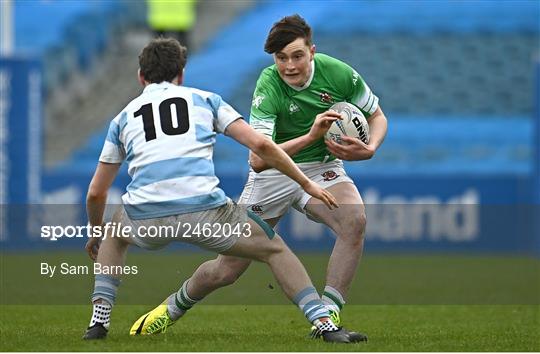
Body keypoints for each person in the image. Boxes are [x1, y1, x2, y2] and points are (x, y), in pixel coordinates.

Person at [82, 37, 364, 343]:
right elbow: (260, 145)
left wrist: (95, 232)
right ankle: (324, 324)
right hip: (205, 211)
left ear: (141, 76)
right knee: (275, 249)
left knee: (113, 233)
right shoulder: (206, 100)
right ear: (181, 74)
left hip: (147, 216)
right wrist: (307, 182)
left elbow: (96, 193)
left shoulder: (122, 118)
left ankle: (99, 322)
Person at [150, 14, 388, 339]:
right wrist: (312, 134)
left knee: (354, 220)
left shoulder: (339, 74)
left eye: (297, 56)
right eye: (281, 58)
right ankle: (172, 307)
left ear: (312, 52)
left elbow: (376, 115)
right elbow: (259, 160)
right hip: (272, 175)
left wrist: (371, 147)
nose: (289, 66)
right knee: (227, 269)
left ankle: (328, 314)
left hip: (320, 168)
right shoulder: (269, 84)